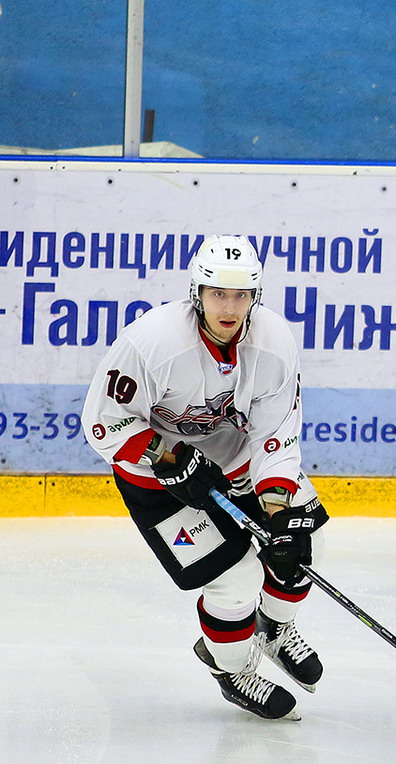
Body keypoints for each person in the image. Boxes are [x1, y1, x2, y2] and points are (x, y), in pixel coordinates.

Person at [81, 235, 329, 721]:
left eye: (241, 295)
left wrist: (277, 511)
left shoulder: (274, 343)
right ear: (197, 292)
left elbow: (276, 433)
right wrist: (167, 454)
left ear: (256, 295)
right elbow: (102, 422)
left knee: (296, 550)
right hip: (154, 478)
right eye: (218, 294)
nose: (230, 307)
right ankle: (230, 668)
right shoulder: (152, 344)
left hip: (236, 458)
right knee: (234, 582)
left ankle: (274, 629)